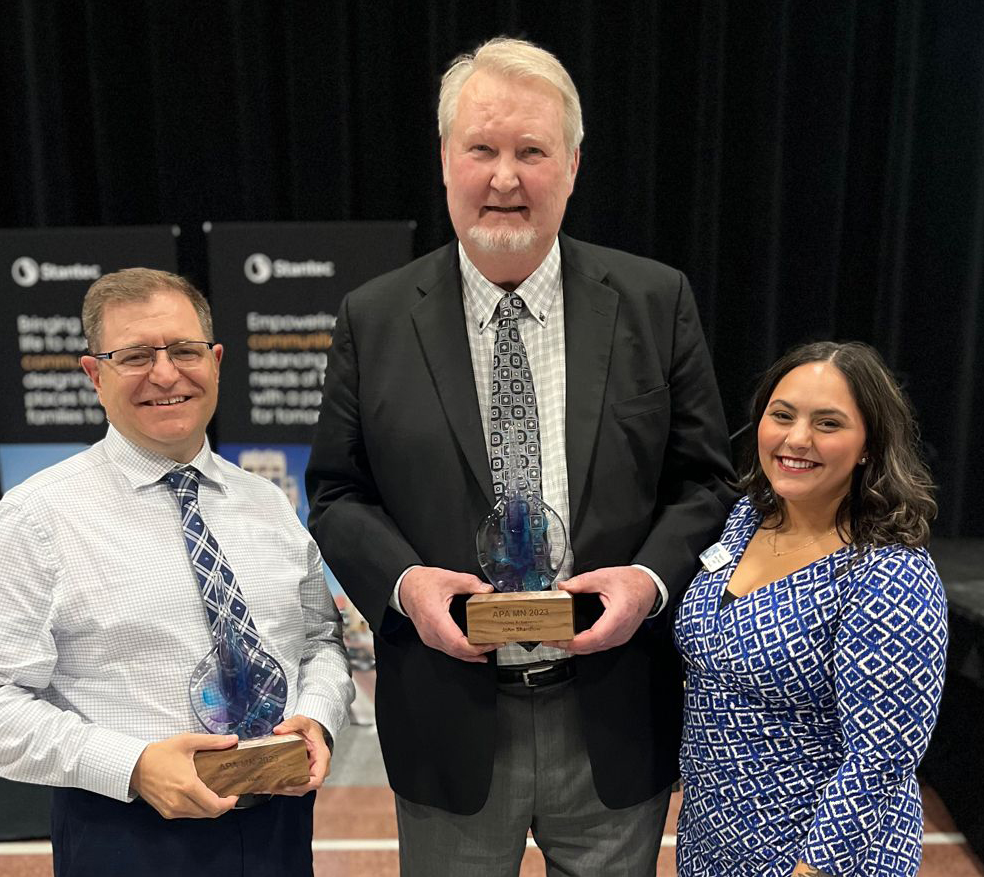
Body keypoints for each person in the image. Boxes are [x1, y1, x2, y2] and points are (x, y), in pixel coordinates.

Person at [306, 36, 735, 875]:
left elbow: (705, 482)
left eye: (531, 151)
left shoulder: (655, 300)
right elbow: (337, 494)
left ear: (572, 164)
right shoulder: (375, 316)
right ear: (444, 159)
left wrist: (647, 581)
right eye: (483, 149)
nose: (505, 177)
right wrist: (407, 585)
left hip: (612, 717)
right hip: (449, 721)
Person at [0, 268, 354, 877]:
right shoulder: (36, 519)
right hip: (126, 836)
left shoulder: (268, 504)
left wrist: (315, 716)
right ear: (93, 375)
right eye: (134, 356)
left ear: (215, 361)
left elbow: (320, 642)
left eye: (184, 350)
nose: (165, 374)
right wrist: (129, 764)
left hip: (279, 828)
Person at [673, 341, 948, 877]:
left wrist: (813, 869)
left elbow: (880, 760)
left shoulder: (890, 574)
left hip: (823, 857)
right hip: (712, 840)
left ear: (869, 444)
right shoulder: (746, 518)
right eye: (783, 415)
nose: (797, 439)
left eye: (828, 424)